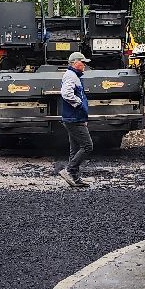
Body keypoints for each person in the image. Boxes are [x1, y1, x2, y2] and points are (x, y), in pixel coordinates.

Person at [57, 51, 92, 188]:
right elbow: (66, 93)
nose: (84, 65)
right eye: (82, 62)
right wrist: (79, 105)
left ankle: (75, 178)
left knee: (75, 148)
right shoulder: (71, 76)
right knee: (87, 146)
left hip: (74, 118)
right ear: (74, 63)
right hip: (73, 118)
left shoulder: (73, 75)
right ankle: (69, 170)